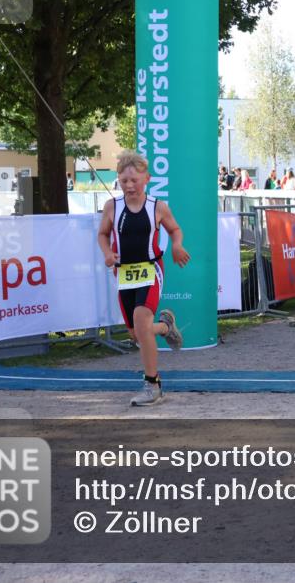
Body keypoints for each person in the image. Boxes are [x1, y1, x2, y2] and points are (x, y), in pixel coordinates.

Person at [97, 150, 189, 407]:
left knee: (140, 318)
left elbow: (175, 229)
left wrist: (177, 246)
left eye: (134, 180)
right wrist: (107, 254)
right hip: (124, 273)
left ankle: (153, 385)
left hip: (151, 269)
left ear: (146, 179)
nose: (129, 185)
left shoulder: (157, 207)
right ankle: (166, 327)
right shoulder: (112, 207)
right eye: (123, 180)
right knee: (137, 334)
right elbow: (103, 234)